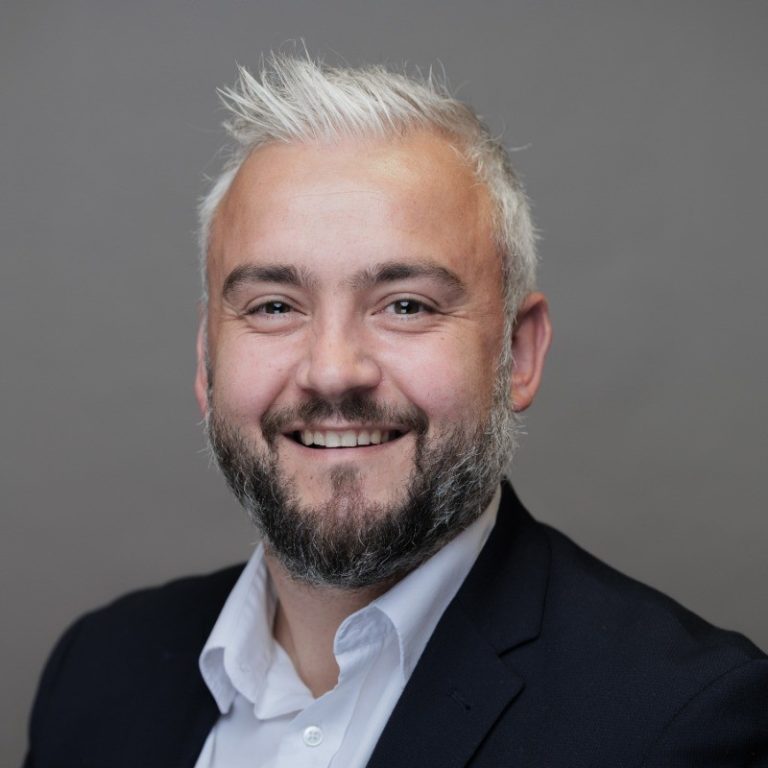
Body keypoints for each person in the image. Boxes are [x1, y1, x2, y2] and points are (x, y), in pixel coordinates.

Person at [24, 54, 768, 767]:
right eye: (274, 306)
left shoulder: (687, 726)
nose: (332, 371)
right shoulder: (97, 674)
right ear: (206, 359)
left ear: (518, 353)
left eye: (406, 305)